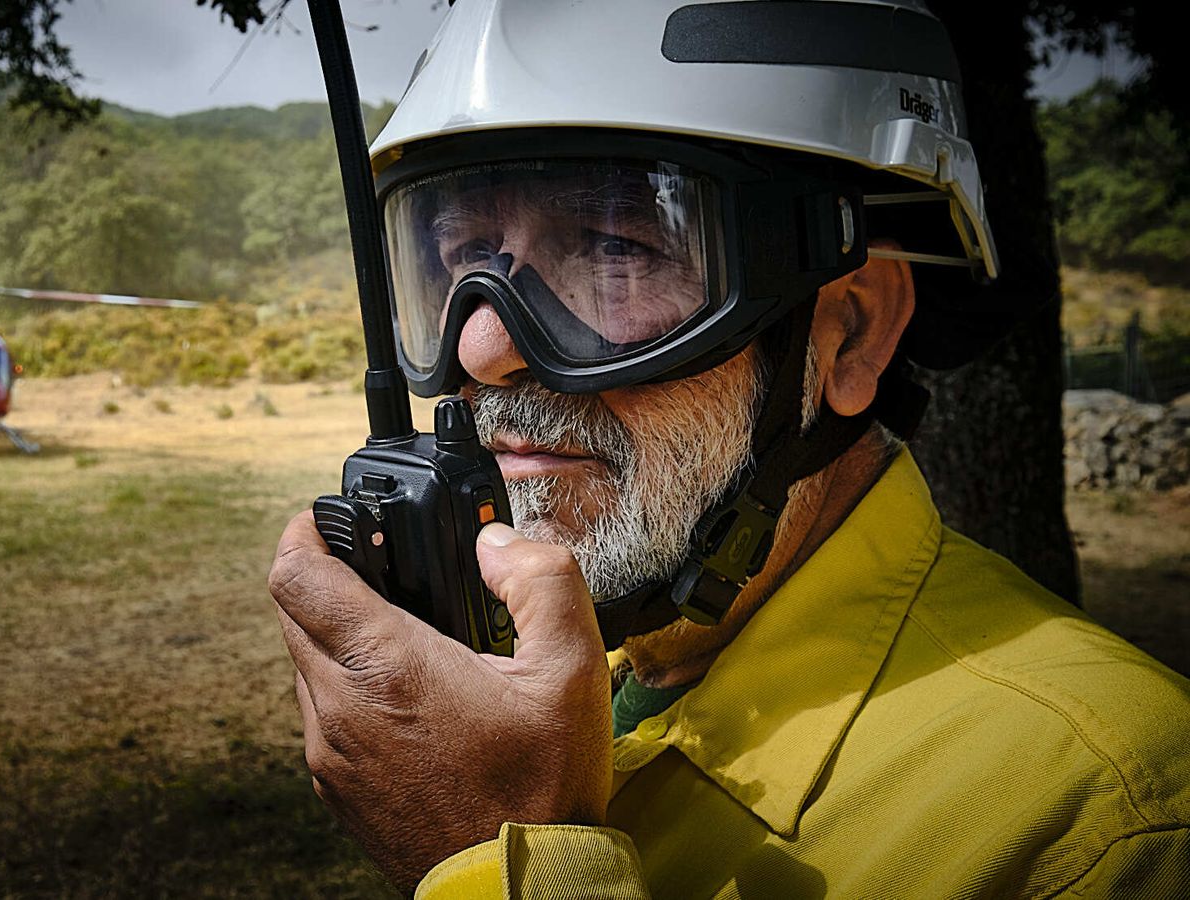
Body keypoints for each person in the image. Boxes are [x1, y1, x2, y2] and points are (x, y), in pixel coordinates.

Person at [268, 0, 1190, 896]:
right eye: (459, 257)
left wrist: (496, 854)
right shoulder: (608, 661)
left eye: (613, 247)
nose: (481, 351)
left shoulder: (1106, 827)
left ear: (851, 331)